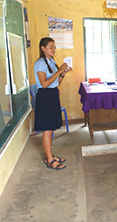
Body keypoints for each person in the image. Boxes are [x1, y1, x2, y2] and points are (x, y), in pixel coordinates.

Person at [34, 37, 72, 170]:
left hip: (52, 94)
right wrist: (59, 71)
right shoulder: (40, 63)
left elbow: (56, 83)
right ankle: (50, 160)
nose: (53, 50)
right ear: (43, 48)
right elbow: (44, 84)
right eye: (51, 47)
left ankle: (49, 155)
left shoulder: (51, 62)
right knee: (47, 130)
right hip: (45, 96)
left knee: (51, 128)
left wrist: (62, 74)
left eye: (54, 47)